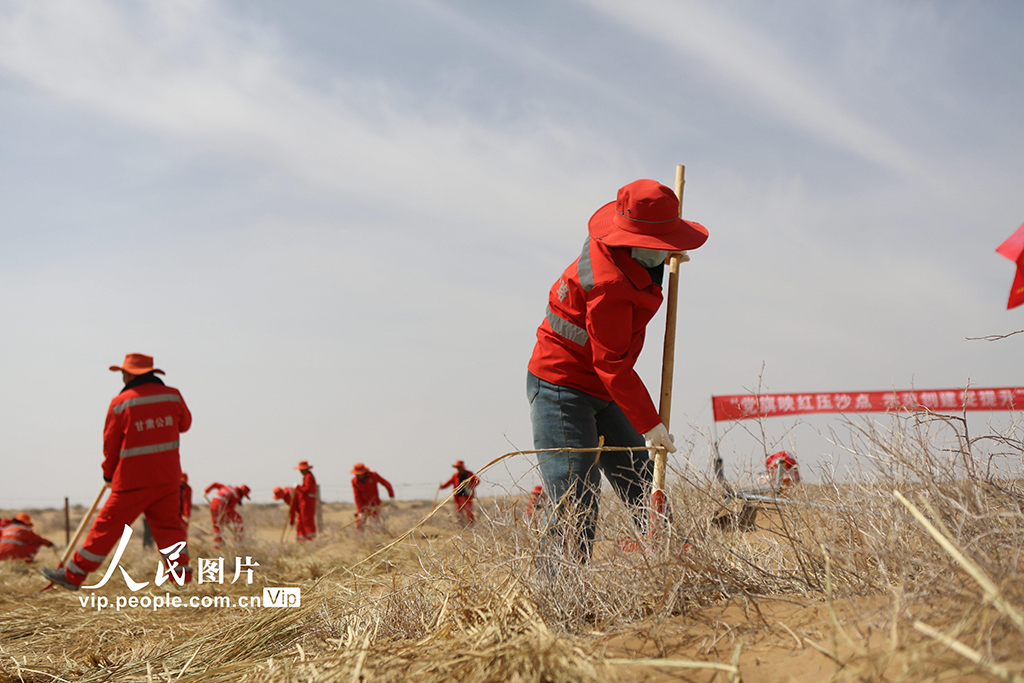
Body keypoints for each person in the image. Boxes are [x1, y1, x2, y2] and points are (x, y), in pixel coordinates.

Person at [526, 179, 708, 560]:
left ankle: (675, 567)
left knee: (642, 480)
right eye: (658, 246)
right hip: (564, 387)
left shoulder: (624, 250)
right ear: (631, 241)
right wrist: (650, 424)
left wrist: (663, 256)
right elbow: (611, 362)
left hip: (606, 387)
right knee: (574, 497)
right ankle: (561, 599)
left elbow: (639, 267)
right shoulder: (607, 286)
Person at [42, 354, 193, 590]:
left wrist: (108, 474)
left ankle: (73, 576)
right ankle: (182, 581)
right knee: (170, 529)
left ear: (131, 374)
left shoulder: (121, 402)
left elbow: (110, 444)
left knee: (105, 529)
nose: (122, 376)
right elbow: (185, 425)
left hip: (132, 481)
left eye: (123, 372)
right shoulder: (173, 395)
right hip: (168, 478)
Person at [204, 483, 250, 550]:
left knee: (217, 526)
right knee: (238, 519)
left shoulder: (227, 487)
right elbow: (231, 510)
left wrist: (206, 491)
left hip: (213, 505)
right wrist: (227, 521)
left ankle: (217, 547)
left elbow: (215, 484)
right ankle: (239, 541)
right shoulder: (236, 495)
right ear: (242, 494)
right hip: (222, 506)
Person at [350, 463, 394, 532]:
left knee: (374, 523)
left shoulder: (373, 475)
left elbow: (386, 483)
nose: (357, 475)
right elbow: (357, 496)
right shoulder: (354, 481)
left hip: (375, 504)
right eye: (356, 474)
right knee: (360, 522)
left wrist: (391, 496)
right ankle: (358, 539)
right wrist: (360, 510)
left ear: (364, 472)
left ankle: (374, 540)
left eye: (359, 474)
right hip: (363, 505)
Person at [439, 460, 480, 526]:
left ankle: (471, 526)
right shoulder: (455, 475)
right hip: (458, 497)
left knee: (469, 511)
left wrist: (471, 487)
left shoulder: (469, 474)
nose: (458, 469)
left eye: (459, 467)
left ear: (462, 467)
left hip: (467, 496)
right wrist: (442, 486)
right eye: (457, 468)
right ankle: (461, 526)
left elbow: (477, 480)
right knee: (459, 512)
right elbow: (449, 482)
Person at [294, 460, 318, 541]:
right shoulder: (307, 477)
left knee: (308, 521)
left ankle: (311, 539)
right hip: (305, 503)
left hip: (307, 504)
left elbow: (307, 489)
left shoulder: (309, 477)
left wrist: (298, 487)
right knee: (304, 521)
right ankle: (305, 539)